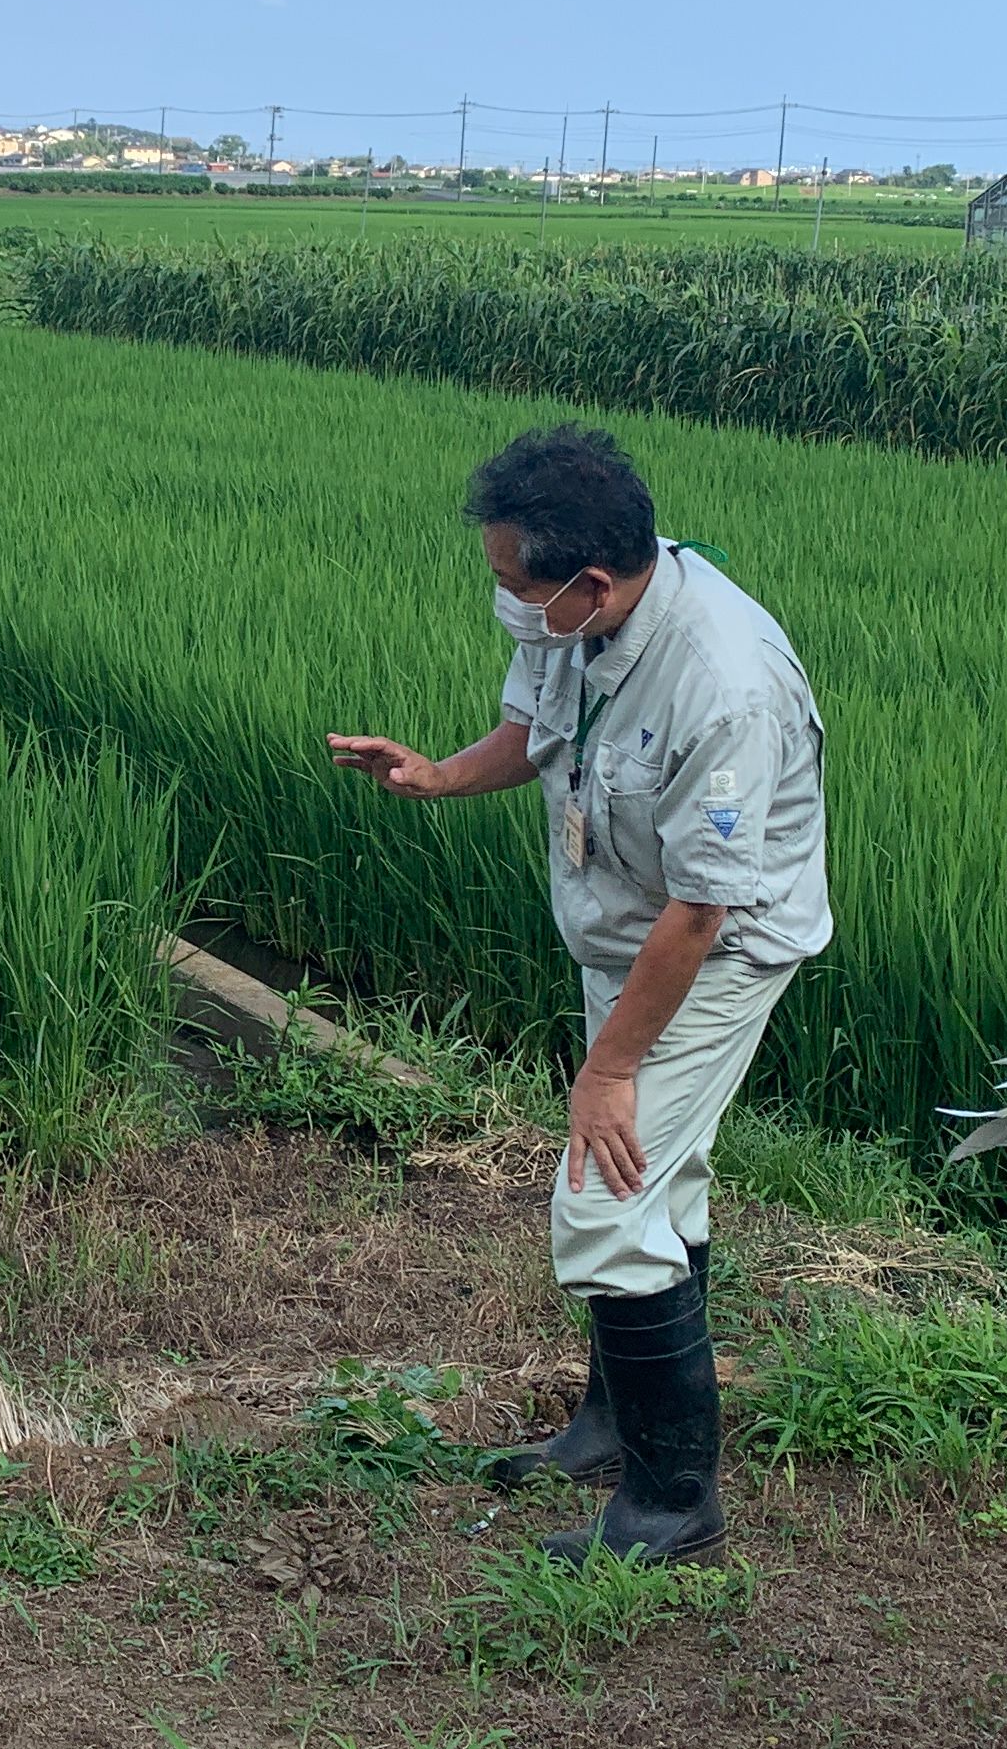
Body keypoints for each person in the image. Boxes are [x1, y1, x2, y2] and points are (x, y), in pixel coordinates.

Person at [326, 421, 831, 1565]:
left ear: (592, 580)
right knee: (663, 1181)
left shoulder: (726, 685)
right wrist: (440, 774)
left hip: (715, 948)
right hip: (627, 933)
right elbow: (539, 731)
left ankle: (671, 1502)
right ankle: (613, 1425)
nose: (506, 599)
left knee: (603, 1203)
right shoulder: (580, 624)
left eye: (518, 582)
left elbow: (702, 911)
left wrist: (607, 1072)